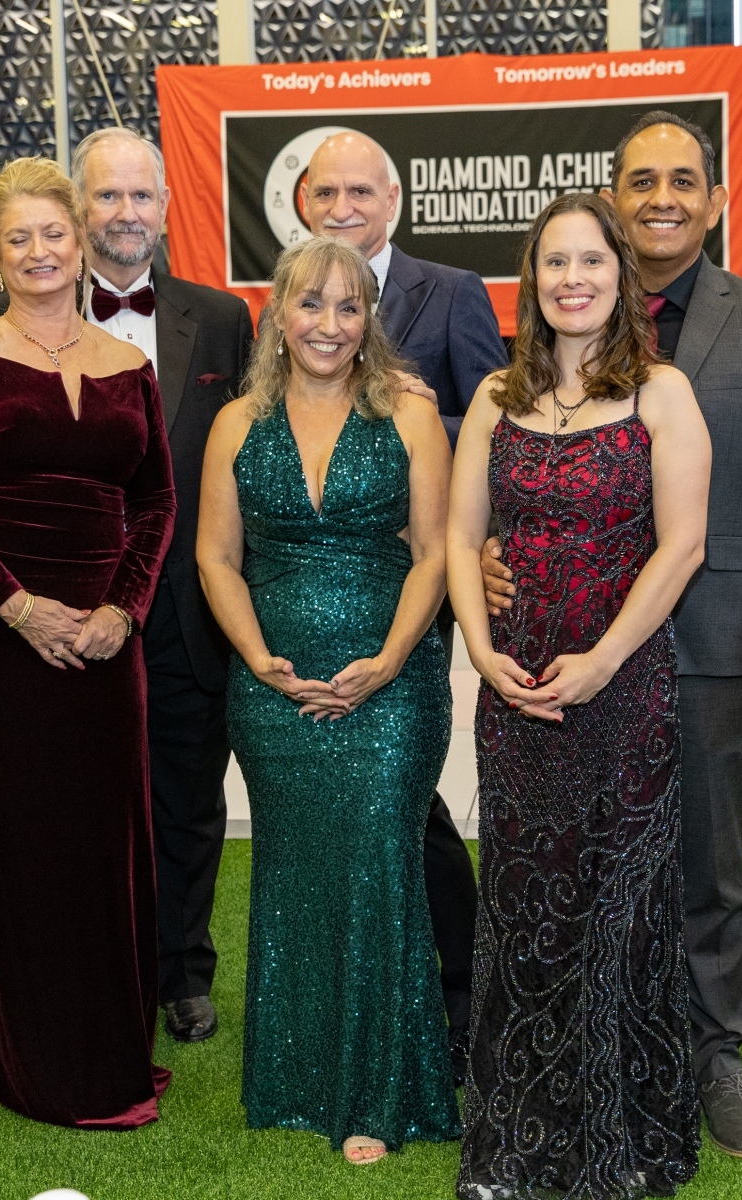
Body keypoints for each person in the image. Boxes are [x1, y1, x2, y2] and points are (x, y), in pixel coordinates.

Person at [479, 111, 742, 1159]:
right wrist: (498, 548)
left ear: (715, 201)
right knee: (579, 850)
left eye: (683, 180)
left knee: (705, 855)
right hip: (566, 639)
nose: (662, 198)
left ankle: (712, 1051)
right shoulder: (555, 326)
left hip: (711, 637)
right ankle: (593, 1036)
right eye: (640, 180)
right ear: (613, 200)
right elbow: (516, 467)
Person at [0, 157, 176, 1129]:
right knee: (20, 847)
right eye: (17, 238)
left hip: (106, 646)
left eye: (52, 233)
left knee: (107, 845)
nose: (38, 251)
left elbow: (155, 501)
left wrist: (122, 612)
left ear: (79, 241)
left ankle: (113, 1049)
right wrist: (15, 608)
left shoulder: (129, 367)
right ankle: (40, 1065)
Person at [450, 192, 711, 1199]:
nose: (572, 279)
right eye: (554, 262)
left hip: (624, 691)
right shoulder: (493, 397)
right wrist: (480, 652)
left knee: (618, 904)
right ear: (531, 278)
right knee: (524, 904)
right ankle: (519, 1138)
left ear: (619, 274)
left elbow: (680, 546)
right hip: (515, 693)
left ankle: (623, 1141)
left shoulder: (661, 393)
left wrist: (601, 660)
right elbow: (457, 538)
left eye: (590, 261)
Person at [196, 237, 458, 1165]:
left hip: (393, 690)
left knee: (379, 868)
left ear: (369, 319)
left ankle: (378, 1095)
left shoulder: (409, 414)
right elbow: (215, 557)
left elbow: (434, 553)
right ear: (278, 312)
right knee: (294, 873)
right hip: (271, 692)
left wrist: (388, 661)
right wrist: (257, 658)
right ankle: (295, 1078)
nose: (330, 325)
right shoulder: (235, 424)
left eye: (350, 307)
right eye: (311, 304)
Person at [303, 129, 508, 1074]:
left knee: (405, 796)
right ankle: (355, 982)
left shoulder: (451, 290)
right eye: (326, 192)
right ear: (303, 201)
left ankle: (461, 986)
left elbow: (499, 417)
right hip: (306, 591)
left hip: (407, 585)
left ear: (392, 201)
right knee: (337, 797)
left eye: (361, 191)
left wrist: (409, 412)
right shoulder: (286, 298)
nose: (343, 207)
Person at [73, 126, 254, 1044]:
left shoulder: (220, 319)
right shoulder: (34, 311)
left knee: (187, 800)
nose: (125, 212)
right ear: (78, 207)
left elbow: (251, 455)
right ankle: (96, 970)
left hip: (189, 607)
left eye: (140, 195)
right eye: (107, 195)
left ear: (167, 208)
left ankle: (182, 971)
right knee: (83, 802)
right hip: (70, 610)